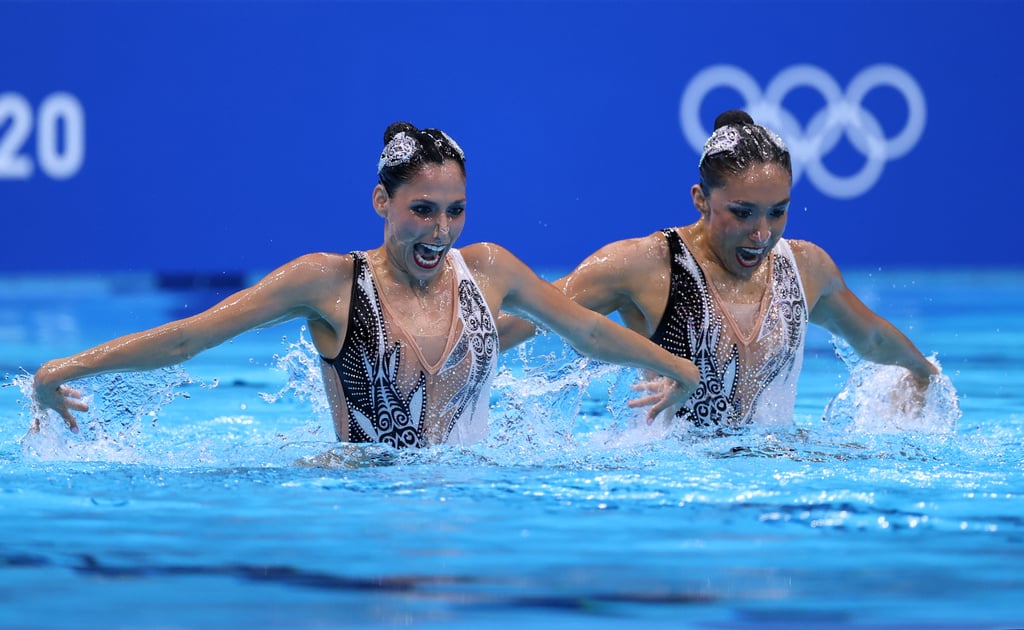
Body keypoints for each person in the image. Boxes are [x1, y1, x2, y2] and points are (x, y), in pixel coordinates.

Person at [31, 122, 700, 448]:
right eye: (422, 210)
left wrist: (677, 368)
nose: (441, 231)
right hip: (360, 500)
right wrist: (64, 368)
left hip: (475, 503)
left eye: (455, 210)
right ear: (382, 202)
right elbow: (188, 338)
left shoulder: (490, 268)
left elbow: (583, 329)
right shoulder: (328, 282)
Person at [498, 110, 940, 429]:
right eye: (742, 213)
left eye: (778, 212)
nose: (762, 233)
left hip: (771, 472)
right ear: (700, 199)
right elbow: (526, 317)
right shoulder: (645, 265)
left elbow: (872, 338)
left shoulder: (806, 267)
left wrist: (923, 372)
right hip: (667, 482)